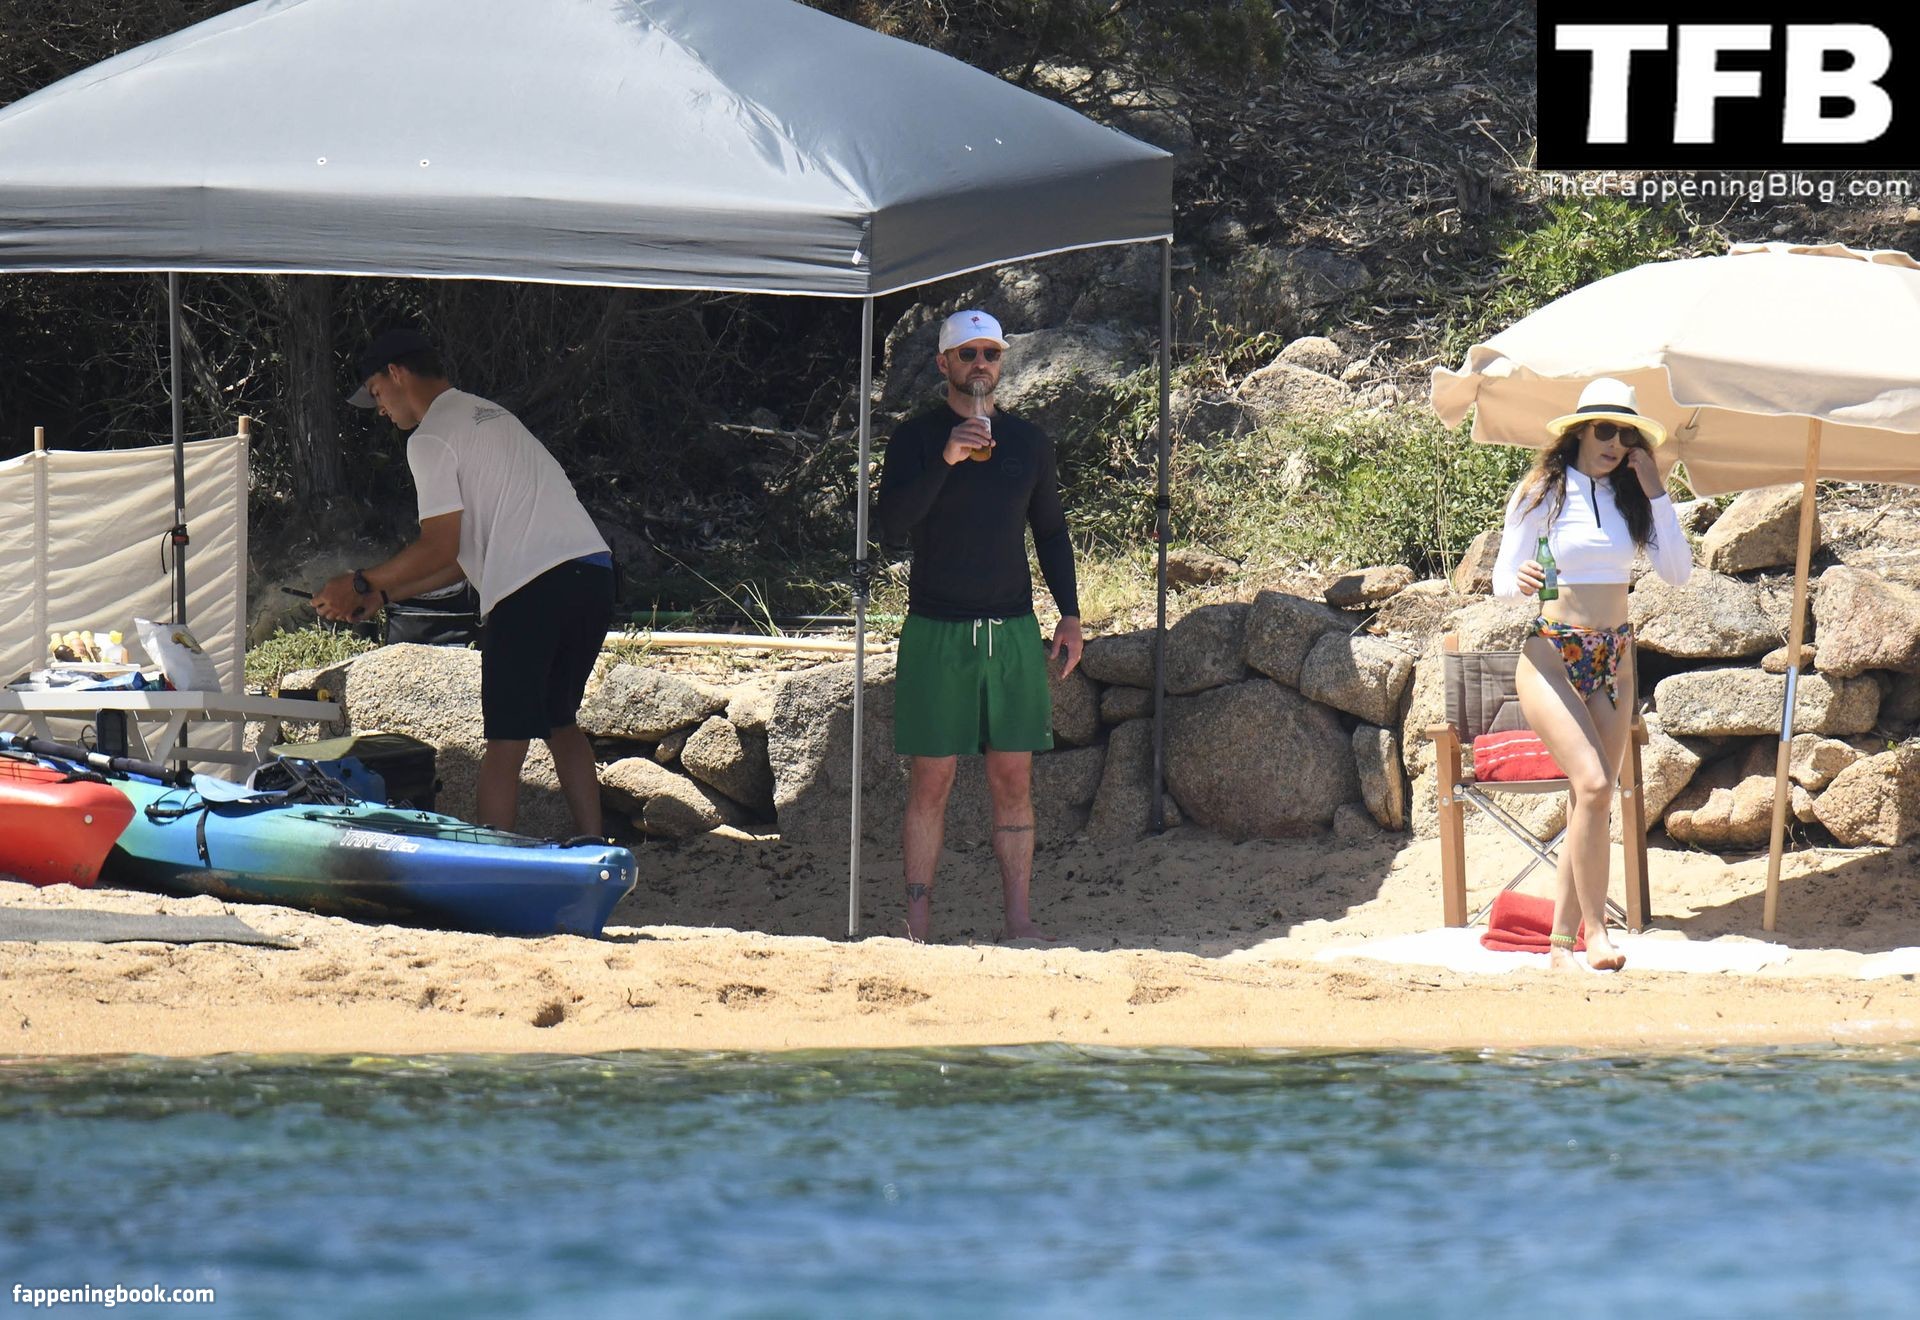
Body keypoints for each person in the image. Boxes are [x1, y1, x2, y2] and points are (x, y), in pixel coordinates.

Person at [313, 328, 614, 837]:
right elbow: (459, 558)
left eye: (377, 393)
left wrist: (358, 582)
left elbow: (437, 546)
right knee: (560, 721)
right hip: (592, 575)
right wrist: (382, 595)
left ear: (397, 374)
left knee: (505, 742)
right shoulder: (491, 414)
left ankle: (492, 860)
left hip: (530, 588)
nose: (380, 409)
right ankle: (594, 841)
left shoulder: (430, 437)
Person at [876, 309, 1084, 943]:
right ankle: (917, 928)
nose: (980, 364)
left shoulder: (1028, 442)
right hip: (937, 628)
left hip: (1012, 629)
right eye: (968, 354)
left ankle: (1019, 922)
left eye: (991, 353)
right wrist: (947, 458)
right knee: (931, 779)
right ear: (943, 363)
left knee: (1013, 778)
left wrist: (1070, 613)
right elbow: (890, 529)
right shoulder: (915, 438)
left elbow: (1051, 531)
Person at [1491, 377, 1692, 972]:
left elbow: (1677, 573)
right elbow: (1503, 580)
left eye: (1627, 435)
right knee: (1597, 784)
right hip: (1554, 653)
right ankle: (1596, 935)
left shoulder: (1633, 499)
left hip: (1615, 658)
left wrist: (1656, 491)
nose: (1615, 443)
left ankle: (1562, 946)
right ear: (1580, 430)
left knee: (1593, 799)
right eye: (1606, 430)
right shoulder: (1544, 491)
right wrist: (1520, 580)